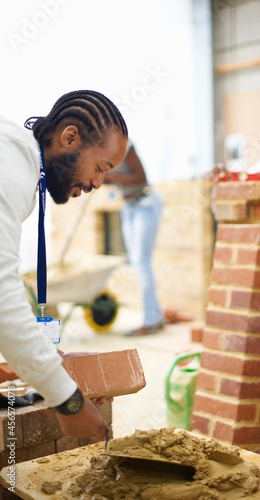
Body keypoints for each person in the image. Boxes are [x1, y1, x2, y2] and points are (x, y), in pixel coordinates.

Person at [0, 90, 128, 441]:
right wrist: (68, 401)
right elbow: (1, 298)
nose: (97, 183)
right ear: (69, 137)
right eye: (100, 168)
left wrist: (46, 358)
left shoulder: (17, 159)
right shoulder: (8, 170)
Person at [103, 140, 164, 336]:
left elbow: (140, 177)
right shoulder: (101, 151)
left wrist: (111, 177)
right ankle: (156, 317)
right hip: (128, 206)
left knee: (141, 262)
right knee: (137, 262)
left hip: (144, 203)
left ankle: (151, 321)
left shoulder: (124, 145)